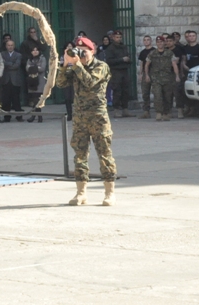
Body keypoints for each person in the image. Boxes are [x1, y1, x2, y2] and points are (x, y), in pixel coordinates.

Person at [54, 36, 117, 206]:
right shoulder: (75, 66)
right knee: (80, 156)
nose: (81, 54)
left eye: (84, 52)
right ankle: (81, 192)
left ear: (92, 51)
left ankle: (109, 193)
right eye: (79, 51)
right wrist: (65, 65)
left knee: (104, 154)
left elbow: (89, 82)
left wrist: (77, 65)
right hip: (80, 118)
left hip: (98, 117)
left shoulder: (101, 66)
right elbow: (60, 84)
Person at [145, 35, 179, 122]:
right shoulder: (152, 53)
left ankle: (166, 113)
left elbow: (174, 64)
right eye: (158, 42)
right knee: (157, 95)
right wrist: (147, 75)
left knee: (167, 96)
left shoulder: (169, 53)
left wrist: (177, 76)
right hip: (156, 78)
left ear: (164, 43)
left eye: (161, 42)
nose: (160, 44)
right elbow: (147, 64)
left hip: (167, 78)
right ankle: (158, 112)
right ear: (156, 43)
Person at [102, 30, 132, 118]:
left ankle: (125, 109)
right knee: (117, 90)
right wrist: (121, 60)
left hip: (124, 70)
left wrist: (128, 60)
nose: (118, 39)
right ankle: (117, 110)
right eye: (117, 37)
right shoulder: (110, 48)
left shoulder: (123, 47)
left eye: (120, 37)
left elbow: (129, 56)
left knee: (125, 90)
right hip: (115, 71)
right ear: (113, 38)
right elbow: (109, 61)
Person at [0, 39, 23, 122]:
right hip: (5, 79)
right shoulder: (2, 54)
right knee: (6, 100)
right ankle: (7, 117)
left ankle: (19, 116)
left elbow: (16, 66)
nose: (10, 47)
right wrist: (10, 63)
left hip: (15, 80)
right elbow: (1, 63)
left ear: (14, 46)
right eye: (8, 45)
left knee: (16, 99)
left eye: (11, 45)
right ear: (6, 46)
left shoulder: (18, 55)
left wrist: (7, 63)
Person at [25, 45, 47, 123]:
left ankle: (35, 116)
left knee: (38, 99)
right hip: (32, 81)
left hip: (40, 81)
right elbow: (27, 68)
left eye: (36, 50)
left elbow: (42, 68)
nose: (35, 51)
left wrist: (33, 67)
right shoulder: (29, 59)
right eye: (33, 50)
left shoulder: (42, 58)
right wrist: (36, 67)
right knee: (34, 100)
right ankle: (38, 116)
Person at [137, 35, 154, 119]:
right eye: (145, 40)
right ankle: (146, 111)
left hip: (154, 73)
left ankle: (160, 111)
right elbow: (141, 64)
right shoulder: (143, 52)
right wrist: (140, 74)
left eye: (148, 40)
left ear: (151, 41)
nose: (146, 41)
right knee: (145, 93)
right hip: (145, 73)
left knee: (157, 92)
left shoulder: (154, 51)